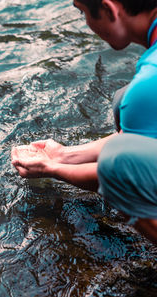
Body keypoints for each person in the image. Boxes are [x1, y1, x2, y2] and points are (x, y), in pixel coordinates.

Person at [11, 0, 157, 245]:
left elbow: (117, 171)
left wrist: (52, 170)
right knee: (124, 101)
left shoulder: (150, 82)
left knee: (116, 165)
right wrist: (64, 155)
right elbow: (144, 137)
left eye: (83, 12)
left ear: (109, 9)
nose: (86, 23)